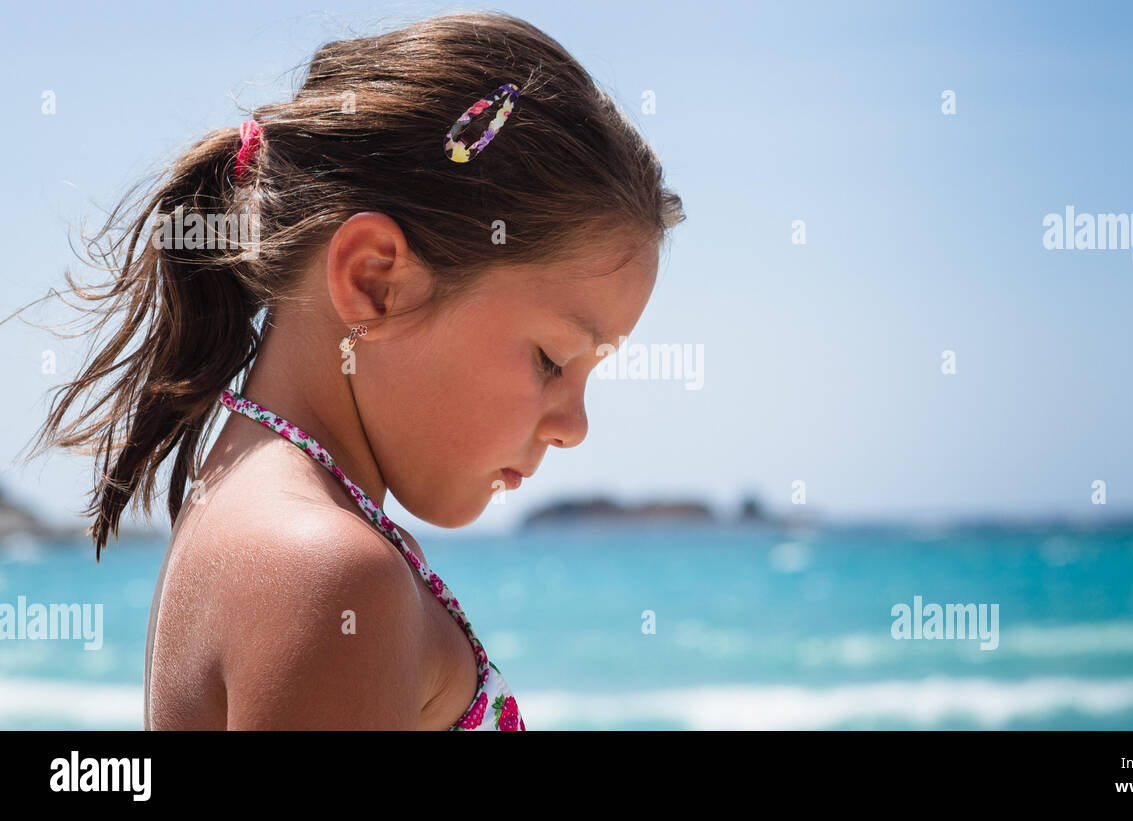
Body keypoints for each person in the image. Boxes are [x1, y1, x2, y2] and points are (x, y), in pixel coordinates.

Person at [25, 10, 685, 730]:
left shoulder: (253, 506)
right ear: (375, 281)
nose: (575, 428)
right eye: (551, 359)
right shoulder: (327, 569)